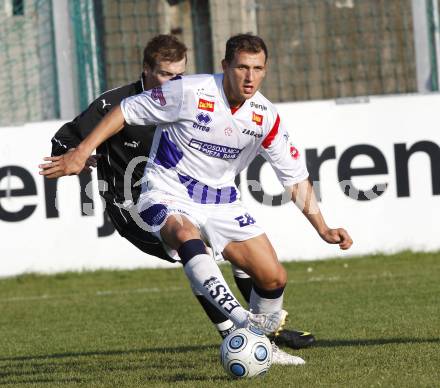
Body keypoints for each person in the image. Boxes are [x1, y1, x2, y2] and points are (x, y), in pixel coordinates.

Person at [41, 33, 352, 364]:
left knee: (274, 277)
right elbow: (125, 110)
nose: (250, 77)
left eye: (258, 69)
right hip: (166, 189)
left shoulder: (266, 117)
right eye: (242, 67)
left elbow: (294, 178)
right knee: (187, 237)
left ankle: (261, 343)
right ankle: (245, 325)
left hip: (221, 201)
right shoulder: (189, 91)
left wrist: (323, 228)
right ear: (225, 66)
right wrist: (82, 152)